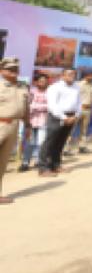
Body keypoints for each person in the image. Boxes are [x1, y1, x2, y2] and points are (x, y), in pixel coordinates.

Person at [39, 68, 80, 176]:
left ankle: (56, 165)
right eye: (69, 74)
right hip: (57, 117)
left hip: (71, 116)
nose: (72, 76)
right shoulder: (55, 87)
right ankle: (43, 168)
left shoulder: (76, 87)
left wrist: (76, 116)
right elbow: (52, 105)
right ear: (62, 76)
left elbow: (79, 103)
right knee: (50, 142)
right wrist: (63, 117)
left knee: (61, 142)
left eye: (73, 74)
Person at [0, 57, 30, 203]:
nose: (13, 72)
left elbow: (26, 109)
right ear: (1, 71)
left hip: (14, 126)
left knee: (3, 162)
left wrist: (28, 125)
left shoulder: (22, 87)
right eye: (10, 69)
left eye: (16, 69)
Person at [20, 74, 49, 170]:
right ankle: (25, 163)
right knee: (30, 143)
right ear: (36, 82)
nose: (43, 83)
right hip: (31, 121)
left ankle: (38, 161)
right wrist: (42, 107)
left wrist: (36, 106)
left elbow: (50, 107)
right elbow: (28, 107)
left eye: (45, 81)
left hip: (44, 121)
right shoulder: (31, 92)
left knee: (41, 142)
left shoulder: (49, 93)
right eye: (40, 81)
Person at [67, 71, 92, 154]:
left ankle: (82, 147)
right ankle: (66, 149)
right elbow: (72, 97)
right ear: (86, 76)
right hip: (78, 110)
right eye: (91, 76)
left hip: (88, 110)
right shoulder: (78, 84)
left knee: (84, 130)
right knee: (70, 130)